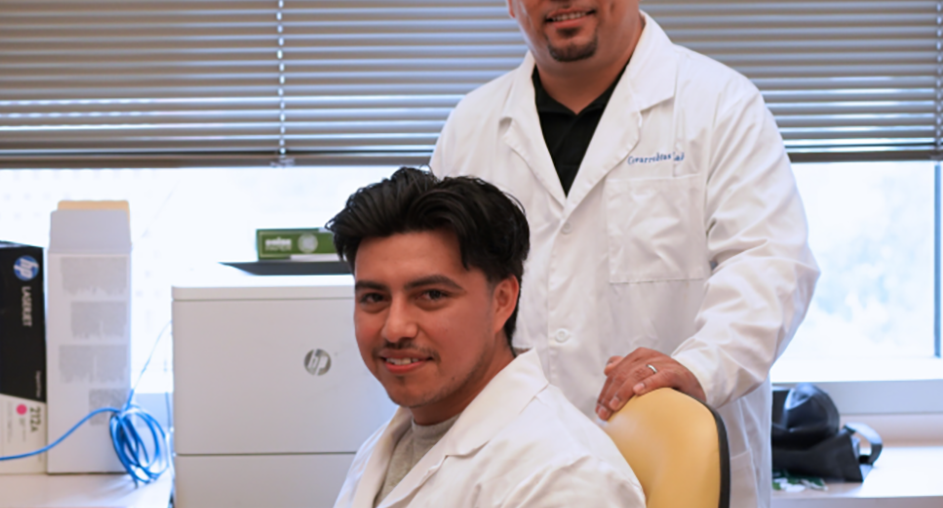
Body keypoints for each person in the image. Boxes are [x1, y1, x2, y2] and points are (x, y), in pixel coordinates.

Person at [428, 1, 820, 507]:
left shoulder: (720, 104)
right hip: (511, 473)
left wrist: (700, 367)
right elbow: (438, 292)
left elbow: (770, 265)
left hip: (670, 476)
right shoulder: (470, 126)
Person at [326, 167, 645, 508]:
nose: (395, 328)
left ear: (502, 300)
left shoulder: (565, 479)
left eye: (431, 295)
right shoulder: (398, 438)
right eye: (374, 298)